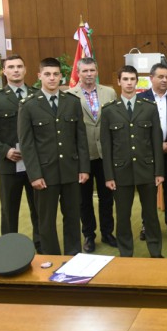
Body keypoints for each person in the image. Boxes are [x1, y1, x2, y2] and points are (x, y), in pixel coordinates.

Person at [17, 57, 90, 255]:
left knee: (73, 216)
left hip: (70, 171)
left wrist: (84, 168)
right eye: (47, 74)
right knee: (46, 220)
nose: (52, 78)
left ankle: (74, 255)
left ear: (61, 76)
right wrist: (34, 174)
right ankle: (51, 258)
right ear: (39, 76)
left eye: (56, 74)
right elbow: (27, 144)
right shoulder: (29, 105)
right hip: (44, 173)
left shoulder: (72, 102)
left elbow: (80, 138)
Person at [100, 66, 164, 258]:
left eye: (132, 79)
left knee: (151, 215)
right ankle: (126, 252)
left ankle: (155, 250)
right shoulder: (109, 110)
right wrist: (109, 175)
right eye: (125, 79)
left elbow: (156, 141)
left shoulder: (149, 108)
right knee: (123, 215)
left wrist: (159, 172)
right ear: (118, 82)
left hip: (146, 169)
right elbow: (106, 145)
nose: (129, 83)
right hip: (121, 171)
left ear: (138, 82)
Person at [0, 55, 41, 253]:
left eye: (20, 66)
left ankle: (41, 246)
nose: (16, 70)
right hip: (9, 164)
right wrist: (5, 151)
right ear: (4, 72)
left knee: (39, 209)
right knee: (9, 210)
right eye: (11, 67)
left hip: (35, 164)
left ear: (25, 70)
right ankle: (9, 250)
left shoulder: (37, 94)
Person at [67, 57, 118, 253]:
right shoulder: (70, 96)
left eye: (92, 70)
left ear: (97, 72)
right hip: (83, 156)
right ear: (78, 73)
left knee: (107, 197)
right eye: (85, 71)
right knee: (84, 199)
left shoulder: (110, 92)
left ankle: (107, 232)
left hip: (106, 154)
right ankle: (89, 235)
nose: (89, 74)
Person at [139, 63, 167, 239]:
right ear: (151, 78)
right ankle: (146, 226)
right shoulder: (142, 98)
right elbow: (139, 129)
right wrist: (157, 146)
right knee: (148, 192)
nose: (165, 80)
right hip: (148, 154)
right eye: (161, 77)